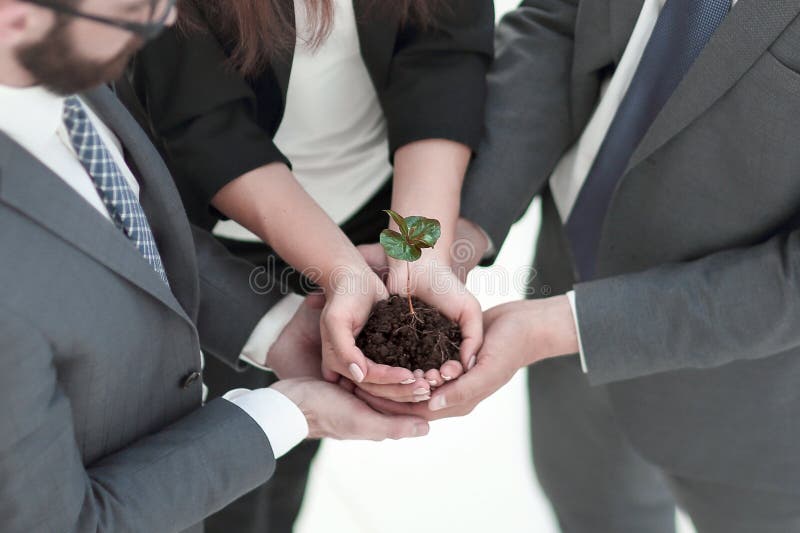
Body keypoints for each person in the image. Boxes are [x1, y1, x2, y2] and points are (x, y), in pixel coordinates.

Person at [359, 1, 800, 532]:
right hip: (562, 284)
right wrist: (461, 237)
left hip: (753, 405)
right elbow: (560, 23)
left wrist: (569, 325)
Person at [0, 1, 430, 531]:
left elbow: (126, 230)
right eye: (138, 8)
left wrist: (275, 329)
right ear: (14, 16)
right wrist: (292, 413)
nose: (162, 22)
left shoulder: (47, 59)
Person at [127, 0, 494, 530]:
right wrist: (341, 271)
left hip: (378, 210)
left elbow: (443, 52)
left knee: (300, 438)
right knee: (228, 441)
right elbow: (206, 123)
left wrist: (422, 258)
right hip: (231, 228)